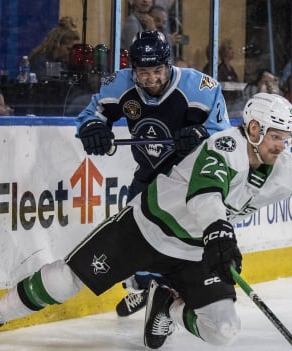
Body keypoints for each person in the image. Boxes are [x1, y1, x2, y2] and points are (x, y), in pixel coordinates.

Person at [0, 92, 292, 349]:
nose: (284, 144)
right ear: (254, 128)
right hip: (145, 229)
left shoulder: (288, 164)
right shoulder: (224, 147)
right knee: (66, 278)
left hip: (196, 250)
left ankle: (167, 304)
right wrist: (220, 232)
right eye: (277, 135)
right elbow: (205, 192)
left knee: (224, 331)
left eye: (289, 137)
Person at [77, 30, 231, 316]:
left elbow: (224, 138)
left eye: (157, 71)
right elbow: (92, 114)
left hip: (188, 181)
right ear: (133, 69)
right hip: (148, 175)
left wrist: (200, 134)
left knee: (178, 244)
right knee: (132, 239)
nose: (151, 79)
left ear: (168, 65)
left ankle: (164, 299)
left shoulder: (200, 86)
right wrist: (93, 129)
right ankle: (147, 287)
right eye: (143, 72)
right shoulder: (118, 84)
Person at [28, 17, 80, 81]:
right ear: (57, 44)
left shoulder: (60, 61)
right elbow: (47, 85)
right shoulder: (39, 60)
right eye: (68, 49)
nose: (72, 53)